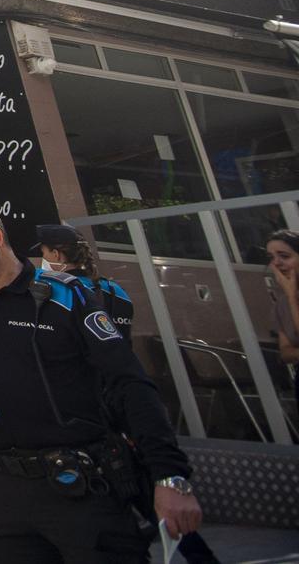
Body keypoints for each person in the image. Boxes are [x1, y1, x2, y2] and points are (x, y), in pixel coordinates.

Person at [0, 198, 200, 563]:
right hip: (4, 488)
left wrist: (169, 475)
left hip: (80, 485)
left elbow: (130, 383)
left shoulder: (66, 295)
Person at [36, 225, 219, 564]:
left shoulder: (54, 292)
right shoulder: (114, 291)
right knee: (146, 494)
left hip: (93, 410)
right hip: (127, 406)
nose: (41, 260)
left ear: (56, 255)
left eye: (43, 253)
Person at [268, 230, 299, 399]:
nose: (276, 264)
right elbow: (285, 352)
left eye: (284, 256)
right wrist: (290, 296)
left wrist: (292, 297)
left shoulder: (288, 298)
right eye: (272, 258)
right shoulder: (282, 302)